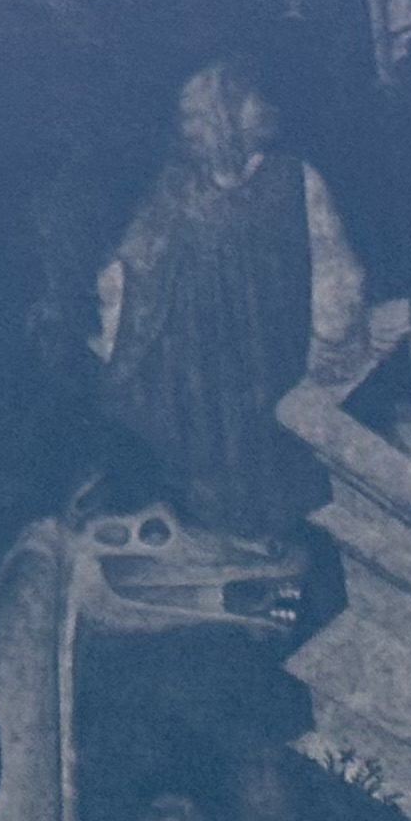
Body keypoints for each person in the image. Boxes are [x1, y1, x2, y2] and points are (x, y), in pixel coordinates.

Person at [93, 61, 367, 540]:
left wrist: (332, 338)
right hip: (205, 371)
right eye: (252, 99)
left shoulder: (294, 179)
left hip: (278, 354)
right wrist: (114, 296)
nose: (188, 130)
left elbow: (333, 266)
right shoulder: (175, 190)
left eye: (196, 117)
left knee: (283, 460)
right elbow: (135, 268)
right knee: (212, 479)